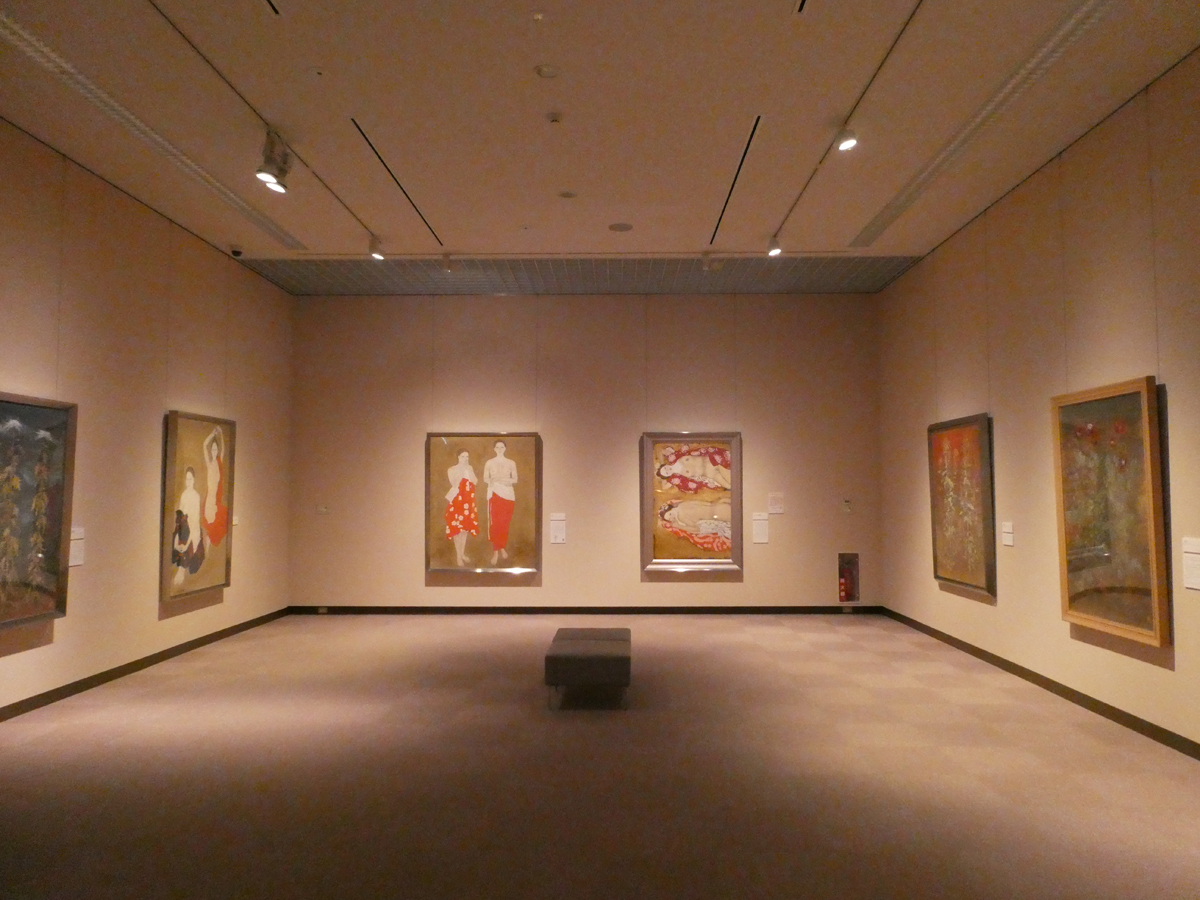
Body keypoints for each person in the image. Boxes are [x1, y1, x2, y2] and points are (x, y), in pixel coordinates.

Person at [483, 439, 518, 566]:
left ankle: (502, 547)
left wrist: (503, 480)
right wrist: (494, 480)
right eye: (497, 447)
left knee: (504, 522)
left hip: (508, 495)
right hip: (495, 494)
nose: (499, 449)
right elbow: (485, 478)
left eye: (501, 447)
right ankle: (496, 551)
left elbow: (515, 479)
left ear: (505, 448)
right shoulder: (489, 462)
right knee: (495, 523)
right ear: (494, 449)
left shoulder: (511, 462)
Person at [658, 496, 733, 553]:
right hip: (721, 504)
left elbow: (696, 529)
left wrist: (678, 526)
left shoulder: (681, 517)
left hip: (721, 514)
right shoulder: (684, 504)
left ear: (671, 509)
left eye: (670, 514)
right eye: (670, 519)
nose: (672, 517)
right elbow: (704, 503)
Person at [444, 449, 478, 566]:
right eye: (463, 456)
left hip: (468, 500)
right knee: (457, 529)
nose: (465, 459)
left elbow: (475, 481)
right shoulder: (452, 469)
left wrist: (468, 470)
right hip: (457, 500)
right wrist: (462, 471)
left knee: (464, 529)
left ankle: (462, 553)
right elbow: (454, 484)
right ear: (458, 457)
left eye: (467, 456)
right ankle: (458, 556)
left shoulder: (470, 468)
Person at [172, 467, 204, 584]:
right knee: (177, 538)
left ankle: (181, 571)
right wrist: (177, 536)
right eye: (187, 479)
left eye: (190, 479)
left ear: (194, 480)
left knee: (186, 542)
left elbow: (195, 522)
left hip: (193, 529)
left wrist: (187, 542)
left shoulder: (196, 496)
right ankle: (179, 568)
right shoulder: (184, 495)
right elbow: (180, 516)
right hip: (184, 527)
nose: (188, 482)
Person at [656, 446, 732, 492]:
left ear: (665, 465)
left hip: (712, 461)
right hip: (711, 474)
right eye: (666, 473)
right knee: (730, 486)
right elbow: (664, 487)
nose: (667, 470)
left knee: (731, 480)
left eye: (665, 468)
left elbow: (660, 451)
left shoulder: (674, 457)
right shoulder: (675, 478)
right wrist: (663, 477)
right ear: (668, 475)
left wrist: (661, 463)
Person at [202, 426, 229, 547]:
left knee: (220, 523)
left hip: (216, 500)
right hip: (210, 499)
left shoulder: (219, 463)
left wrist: (221, 434)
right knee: (211, 525)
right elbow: (204, 445)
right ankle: (205, 548)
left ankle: (206, 547)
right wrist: (212, 435)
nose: (214, 451)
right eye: (212, 449)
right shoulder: (209, 463)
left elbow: (223, 449)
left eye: (215, 449)